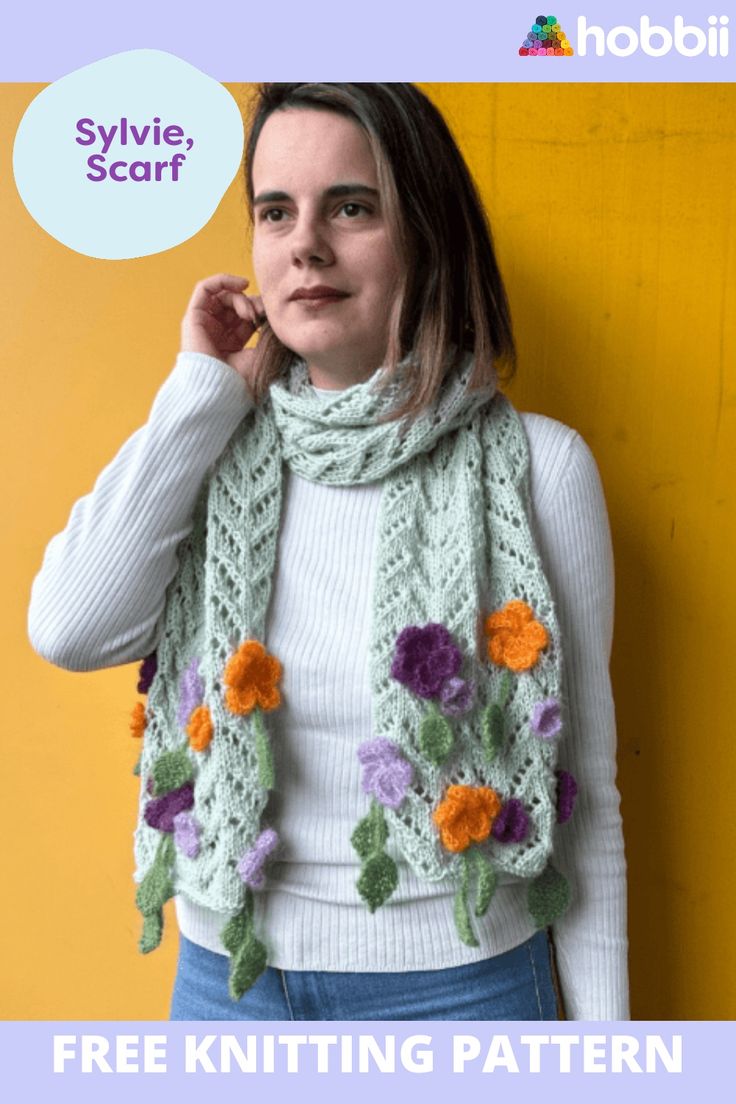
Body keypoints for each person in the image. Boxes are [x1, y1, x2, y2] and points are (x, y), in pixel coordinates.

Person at [27, 83, 628, 1021]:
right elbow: (68, 627)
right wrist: (200, 394)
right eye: (276, 212)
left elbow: (584, 805)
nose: (304, 243)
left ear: (426, 231)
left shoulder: (539, 471)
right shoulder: (212, 449)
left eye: (351, 206)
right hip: (230, 988)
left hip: (459, 991)